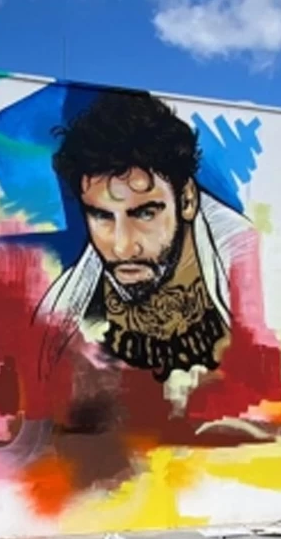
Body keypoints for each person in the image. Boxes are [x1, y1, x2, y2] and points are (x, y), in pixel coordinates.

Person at [35, 89, 248, 382]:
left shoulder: (257, 277)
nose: (123, 248)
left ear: (187, 200)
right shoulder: (61, 315)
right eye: (102, 216)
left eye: (145, 214)